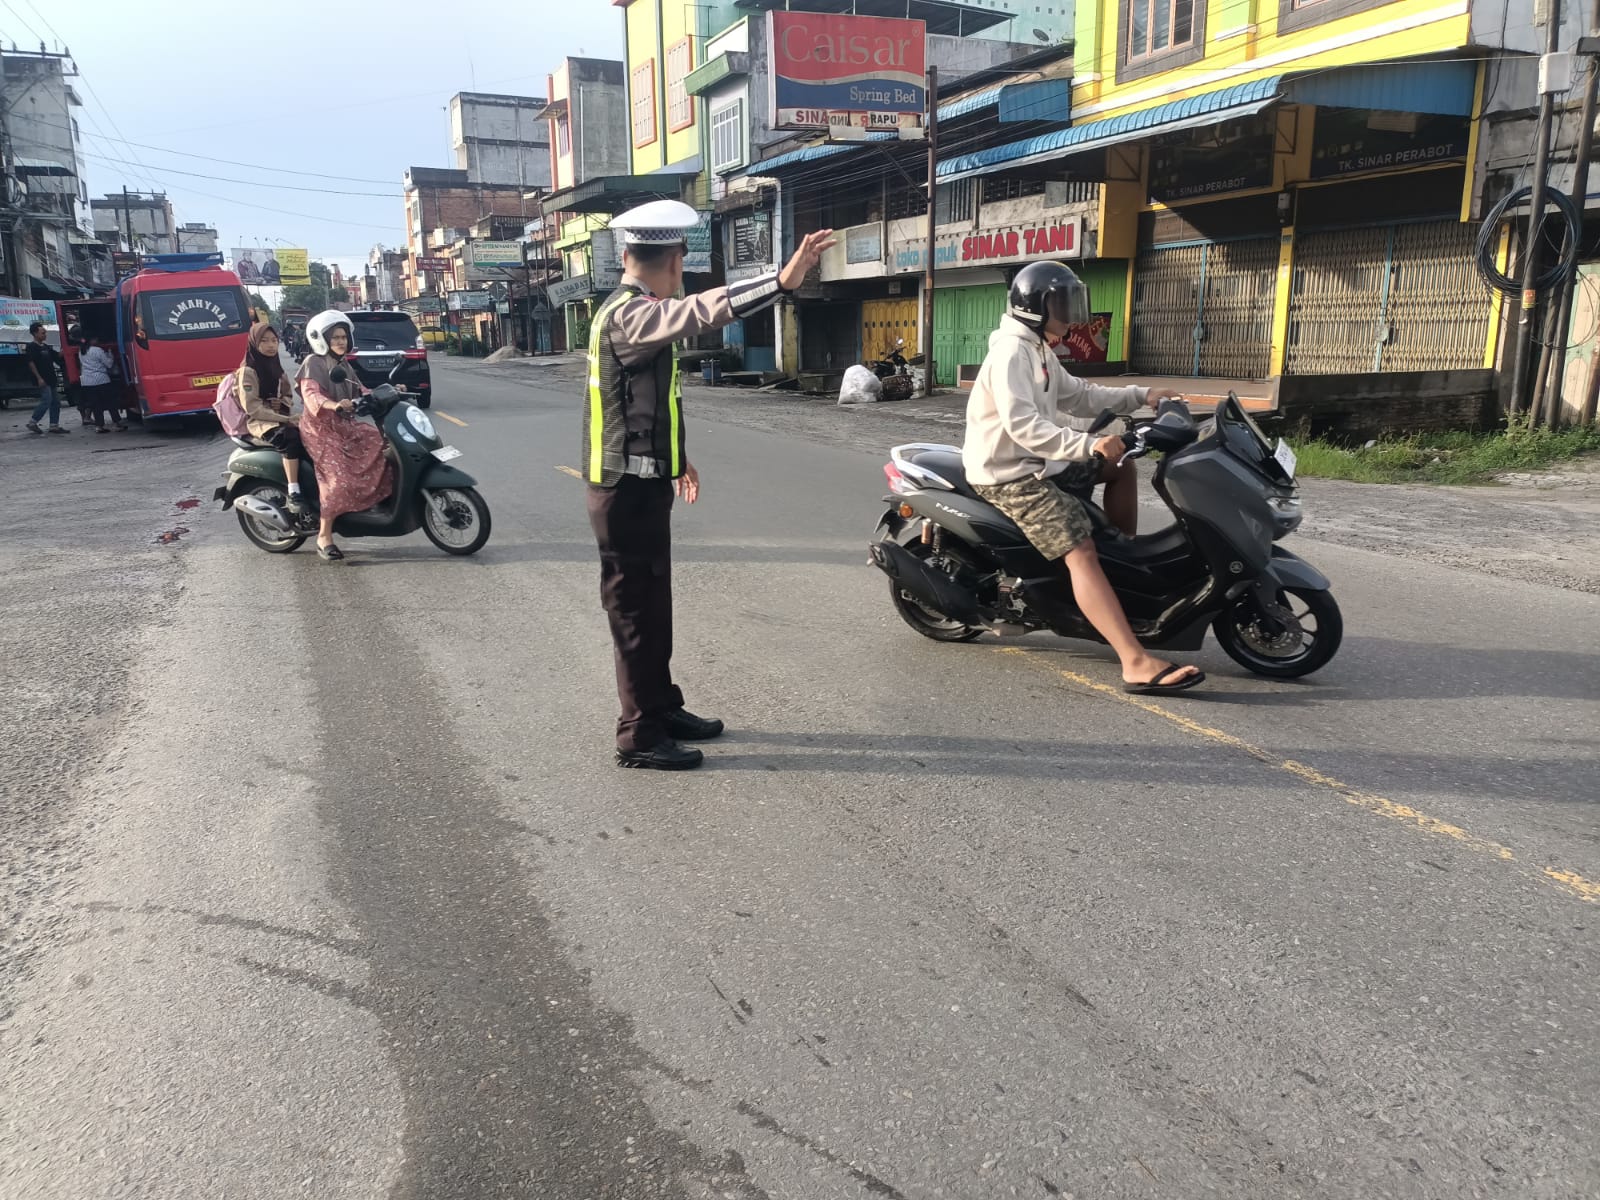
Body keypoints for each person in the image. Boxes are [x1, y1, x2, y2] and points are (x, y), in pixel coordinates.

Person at [582, 198, 837, 770]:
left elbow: (642, 406)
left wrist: (678, 459)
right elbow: (700, 312)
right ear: (675, 259)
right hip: (623, 491)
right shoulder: (630, 314)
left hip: (645, 483)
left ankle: (661, 706)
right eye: (680, 261)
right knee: (635, 614)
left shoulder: (634, 309)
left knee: (655, 605)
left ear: (626, 254)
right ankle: (638, 735)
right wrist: (780, 280)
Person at [962, 261, 1205, 696]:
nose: (1070, 312)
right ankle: (1134, 661)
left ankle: (1121, 565)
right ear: (1036, 307)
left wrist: (1143, 395)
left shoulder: (1038, 349)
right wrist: (1088, 445)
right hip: (1010, 474)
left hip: (1039, 462)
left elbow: (1080, 395)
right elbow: (1024, 427)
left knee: (1123, 463)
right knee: (1081, 550)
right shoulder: (1010, 353)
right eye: (1061, 302)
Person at [296, 309, 393, 561]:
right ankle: (324, 535)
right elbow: (311, 395)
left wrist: (390, 390)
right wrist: (334, 405)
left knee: (382, 445)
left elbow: (358, 389)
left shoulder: (343, 364)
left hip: (345, 424)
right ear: (323, 339)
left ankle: (369, 503)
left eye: (343, 337)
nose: (341, 341)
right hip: (320, 429)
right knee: (338, 478)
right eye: (335, 337)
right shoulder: (313, 364)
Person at [238, 323, 308, 516]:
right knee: (290, 438)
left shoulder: (278, 368)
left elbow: (288, 395)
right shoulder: (248, 371)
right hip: (260, 423)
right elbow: (252, 408)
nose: (270, 345)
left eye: (274, 341)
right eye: (264, 341)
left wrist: (281, 403)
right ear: (254, 343)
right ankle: (294, 491)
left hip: (279, 417)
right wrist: (282, 418)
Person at [23, 321, 67, 435]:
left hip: (51, 378)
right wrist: (38, 378)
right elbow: (31, 363)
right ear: (35, 334)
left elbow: (56, 357)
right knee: (46, 400)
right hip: (42, 379)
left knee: (56, 402)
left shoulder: (46, 347)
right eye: (42, 333)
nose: (45, 335)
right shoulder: (31, 347)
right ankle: (33, 422)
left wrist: (64, 351)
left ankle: (54, 425)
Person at [79, 334, 126, 432]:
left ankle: (99, 426)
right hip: (101, 380)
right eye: (96, 338)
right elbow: (108, 364)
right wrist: (110, 354)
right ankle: (117, 423)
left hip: (87, 382)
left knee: (96, 405)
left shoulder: (81, 351)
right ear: (92, 340)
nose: (97, 340)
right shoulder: (97, 350)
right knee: (111, 402)